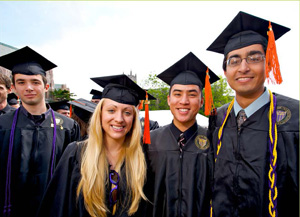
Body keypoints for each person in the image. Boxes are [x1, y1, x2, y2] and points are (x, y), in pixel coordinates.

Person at [206, 11, 299, 217]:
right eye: (234, 60)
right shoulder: (217, 119)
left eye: (254, 58)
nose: (244, 67)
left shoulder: (295, 117)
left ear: (268, 63)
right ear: (225, 71)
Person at [37, 74, 152, 217]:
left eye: (127, 112)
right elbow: (58, 206)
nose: (119, 119)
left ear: (134, 118)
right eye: (111, 110)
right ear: (100, 114)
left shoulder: (144, 157)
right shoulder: (76, 153)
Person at [0, 46, 81, 217]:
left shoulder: (68, 127)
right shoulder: (2, 124)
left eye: (35, 82)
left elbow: (75, 176)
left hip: (56, 210)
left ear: (46, 86)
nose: (28, 88)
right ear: (13, 87)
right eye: (21, 82)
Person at [144, 52, 219, 217]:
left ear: (201, 101)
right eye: (177, 94)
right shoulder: (150, 142)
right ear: (169, 99)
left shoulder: (214, 141)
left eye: (192, 95)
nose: (184, 101)